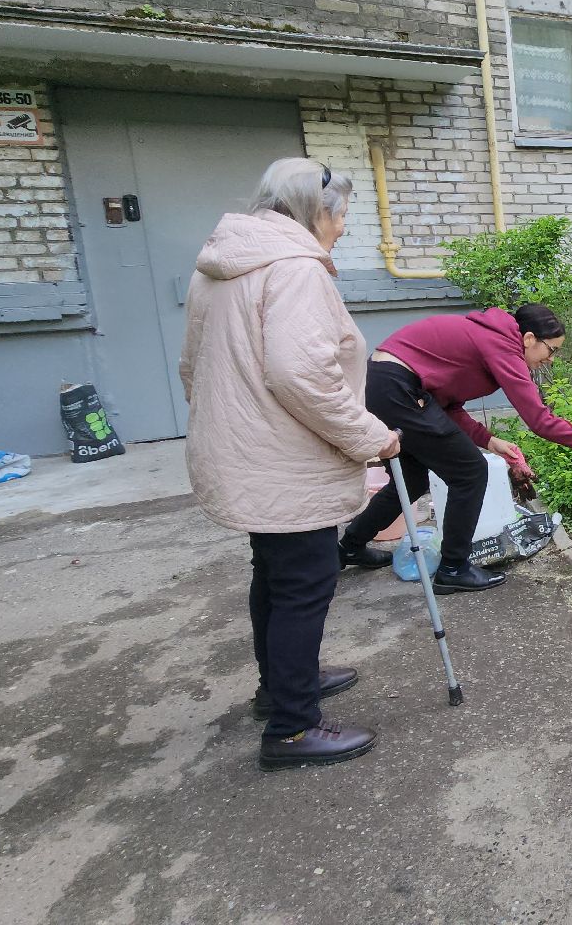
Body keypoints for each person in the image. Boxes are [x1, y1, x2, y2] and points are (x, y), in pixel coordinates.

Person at [180, 158, 398, 772]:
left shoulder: (220, 267)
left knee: (274, 576)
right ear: (315, 212)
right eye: (342, 214)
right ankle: (294, 729)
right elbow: (304, 375)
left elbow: (192, 366)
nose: (343, 227)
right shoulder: (295, 269)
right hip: (284, 459)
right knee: (305, 584)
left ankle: (281, 687)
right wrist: (373, 437)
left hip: (246, 453)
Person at [337, 304, 572, 591]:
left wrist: (490, 441)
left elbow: (447, 406)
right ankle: (453, 569)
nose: (551, 359)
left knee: (413, 479)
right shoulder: (503, 346)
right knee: (470, 472)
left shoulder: (491, 339)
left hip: (387, 384)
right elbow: (540, 421)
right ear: (529, 339)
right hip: (398, 387)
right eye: (551, 350)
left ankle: (349, 546)